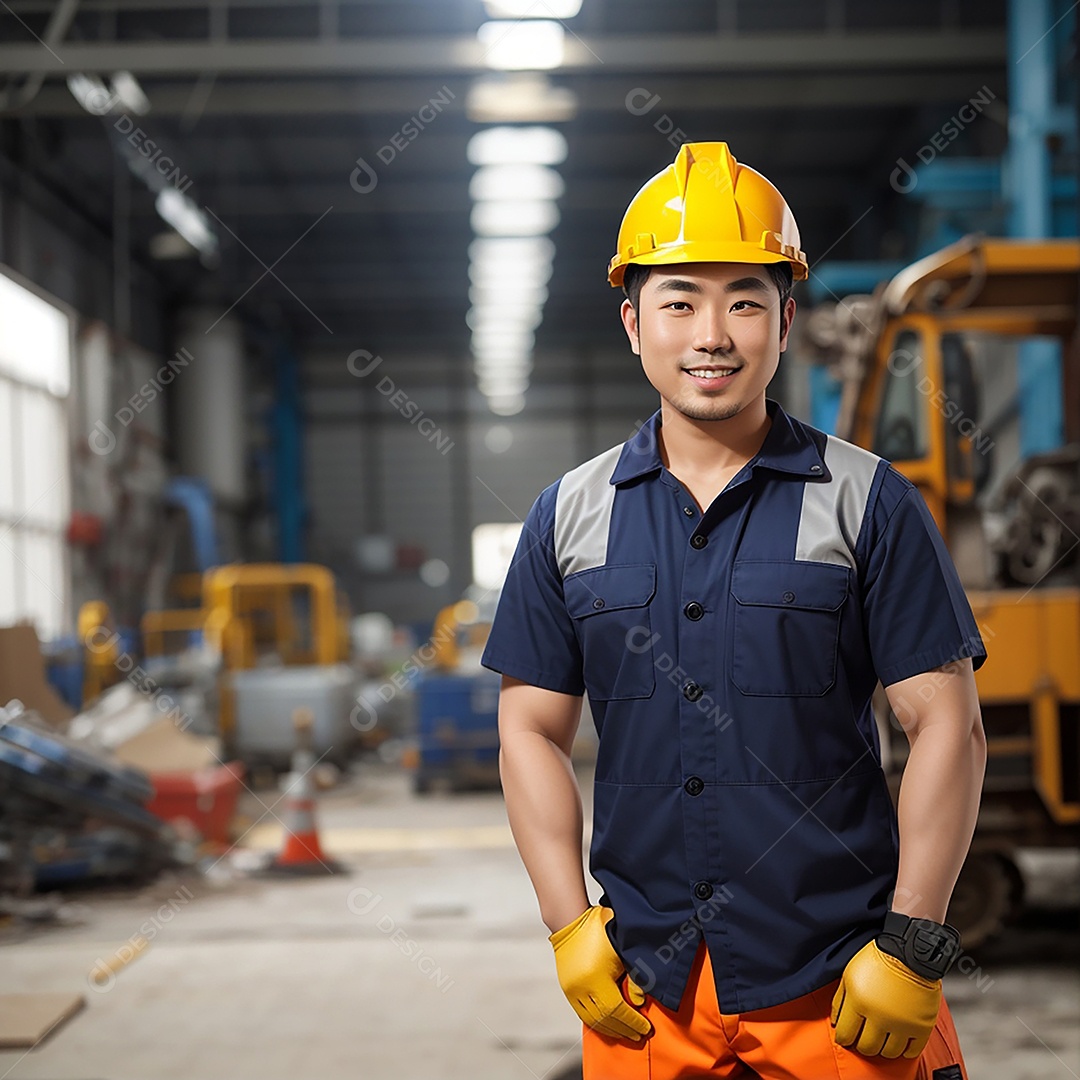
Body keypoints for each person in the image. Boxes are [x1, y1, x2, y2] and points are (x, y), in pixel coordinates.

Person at [481, 141, 987, 1080]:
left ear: (786, 320)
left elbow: (946, 723)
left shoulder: (866, 501)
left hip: (841, 987)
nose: (712, 333)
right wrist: (565, 925)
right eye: (680, 301)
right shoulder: (569, 516)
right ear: (634, 324)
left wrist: (914, 944)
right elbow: (529, 728)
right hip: (647, 995)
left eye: (744, 300)